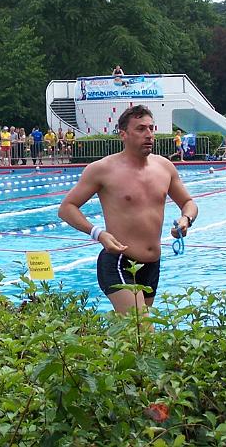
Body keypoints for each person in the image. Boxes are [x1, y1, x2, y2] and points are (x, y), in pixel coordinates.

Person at [58, 105, 198, 313]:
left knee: (134, 338)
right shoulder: (102, 169)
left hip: (152, 264)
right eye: (141, 129)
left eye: (151, 128)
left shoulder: (164, 167)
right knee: (143, 329)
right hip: (119, 261)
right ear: (123, 134)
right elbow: (67, 208)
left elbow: (189, 203)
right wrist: (99, 234)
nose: (149, 134)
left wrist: (186, 219)